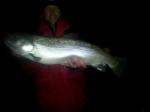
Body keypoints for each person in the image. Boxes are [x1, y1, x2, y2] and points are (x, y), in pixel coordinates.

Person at [23, 4, 89, 112]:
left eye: (55, 9)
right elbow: (28, 69)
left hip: (76, 99)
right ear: (43, 14)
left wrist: (75, 67)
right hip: (47, 102)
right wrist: (30, 58)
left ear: (61, 12)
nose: (52, 13)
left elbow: (86, 66)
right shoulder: (33, 36)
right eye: (48, 10)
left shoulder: (74, 33)